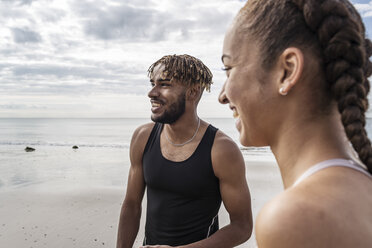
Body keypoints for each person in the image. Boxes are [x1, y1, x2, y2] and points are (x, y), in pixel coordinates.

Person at [218, 0, 372, 247]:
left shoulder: (294, 218)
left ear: (287, 71)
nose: (222, 95)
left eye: (229, 69)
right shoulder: (361, 185)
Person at [116, 54, 252, 248]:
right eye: (153, 83)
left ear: (193, 92)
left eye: (164, 84)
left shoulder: (221, 149)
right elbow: (131, 205)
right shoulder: (143, 137)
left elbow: (242, 226)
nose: (152, 92)